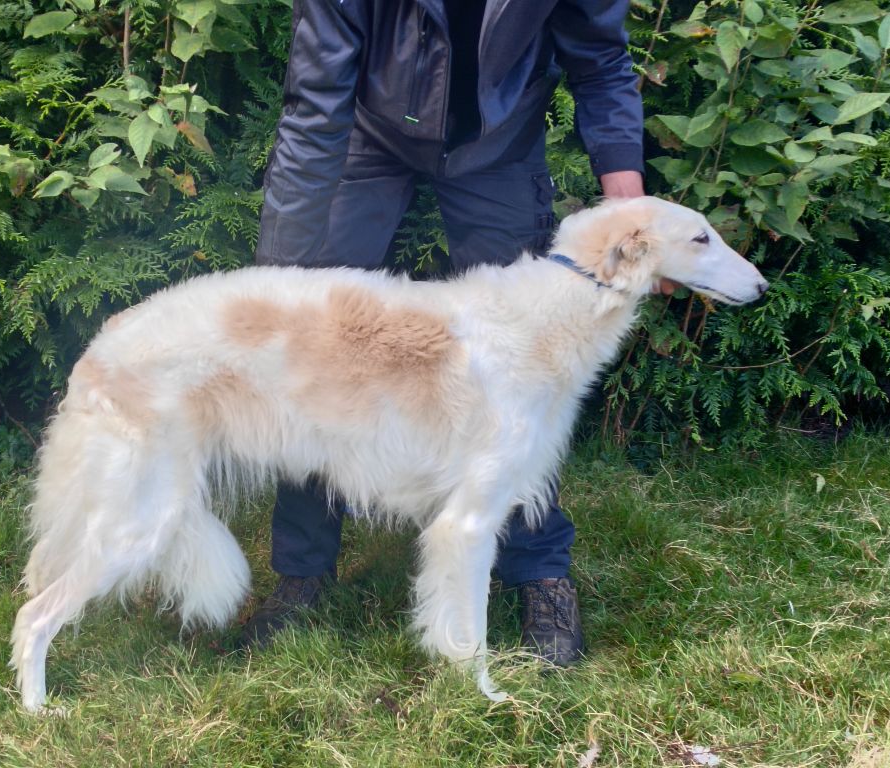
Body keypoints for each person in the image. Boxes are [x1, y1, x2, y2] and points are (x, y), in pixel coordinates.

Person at [243, 0, 646, 666]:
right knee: (315, 352)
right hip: (366, 134)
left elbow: (600, 58)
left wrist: (629, 209)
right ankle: (302, 572)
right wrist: (282, 278)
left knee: (527, 365)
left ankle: (537, 569)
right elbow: (315, 105)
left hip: (501, 142)